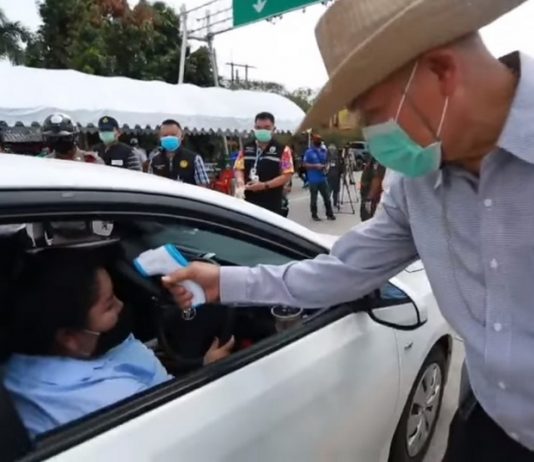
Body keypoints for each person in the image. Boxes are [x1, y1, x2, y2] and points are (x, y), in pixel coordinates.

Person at [162, 0, 534, 460]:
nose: (372, 136)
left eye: (373, 112)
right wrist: (224, 282)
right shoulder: (417, 186)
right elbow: (343, 271)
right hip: (490, 422)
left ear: (442, 71)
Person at [2, 248, 234, 439]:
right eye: (109, 304)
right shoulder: (111, 400)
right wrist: (210, 374)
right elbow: (194, 428)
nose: (121, 305)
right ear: (69, 337)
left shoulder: (19, 364)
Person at [233, 112, 294, 215]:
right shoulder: (246, 148)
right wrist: (240, 181)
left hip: (271, 204)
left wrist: (264, 185)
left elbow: (287, 174)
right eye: (259, 128)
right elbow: (238, 167)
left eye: (266, 128)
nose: (262, 131)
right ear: (254, 128)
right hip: (248, 203)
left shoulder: (283, 150)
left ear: (274, 129)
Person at [148, 119, 210, 187]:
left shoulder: (194, 159)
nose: (169, 138)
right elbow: (150, 185)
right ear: (160, 137)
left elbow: (203, 187)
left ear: (182, 136)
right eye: (165, 135)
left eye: (173, 135)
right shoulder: (154, 160)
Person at [303, 135, 335, 221]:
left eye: (320, 140)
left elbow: (327, 161)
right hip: (313, 179)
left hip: (322, 178)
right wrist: (315, 166)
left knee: (327, 197)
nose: (319, 141)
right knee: (314, 198)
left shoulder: (324, 151)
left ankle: (329, 214)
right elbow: (304, 164)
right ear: (313, 141)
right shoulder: (309, 152)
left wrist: (327, 167)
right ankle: (314, 215)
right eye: (317, 140)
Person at [359, 156, 386, 221]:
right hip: (369, 195)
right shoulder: (374, 157)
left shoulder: (379, 159)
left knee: (368, 220)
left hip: (373, 199)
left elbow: (377, 178)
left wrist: (369, 199)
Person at [326, 144, 342, 210]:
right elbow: (341, 168)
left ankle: (329, 202)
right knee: (334, 190)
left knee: (330, 190)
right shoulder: (337, 158)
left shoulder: (327, 158)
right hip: (335, 176)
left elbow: (326, 168)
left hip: (330, 176)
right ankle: (335, 202)